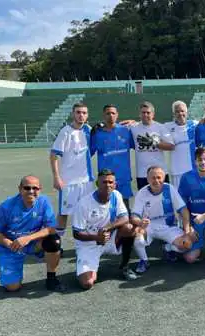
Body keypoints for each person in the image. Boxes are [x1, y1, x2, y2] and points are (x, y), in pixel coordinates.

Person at [0, 175, 65, 292]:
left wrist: (28, 238)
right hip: (11, 246)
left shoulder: (44, 201)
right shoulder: (6, 207)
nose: (31, 191)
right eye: (27, 188)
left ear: (40, 189)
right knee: (12, 287)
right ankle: (7, 270)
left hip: (32, 243)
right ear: (20, 189)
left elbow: (52, 228)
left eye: (35, 188)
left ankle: (51, 279)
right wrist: (10, 244)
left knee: (54, 241)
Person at [72, 169, 139, 289]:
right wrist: (96, 237)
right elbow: (76, 233)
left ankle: (125, 267)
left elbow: (124, 218)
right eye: (104, 182)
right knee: (87, 284)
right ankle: (82, 263)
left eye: (110, 182)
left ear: (115, 184)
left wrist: (107, 228)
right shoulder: (84, 203)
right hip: (88, 244)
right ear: (97, 184)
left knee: (129, 229)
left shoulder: (116, 195)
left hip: (109, 238)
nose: (107, 185)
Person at [130, 166, 197, 273]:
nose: (156, 181)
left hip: (168, 226)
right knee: (137, 237)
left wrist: (187, 231)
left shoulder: (169, 188)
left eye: (159, 177)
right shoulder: (142, 193)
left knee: (187, 244)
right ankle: (144, 260)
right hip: (149, 226)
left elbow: (183, 210)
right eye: (153, 178)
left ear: (164, 178)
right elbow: (134, 216)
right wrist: (140, 222)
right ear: (147, 179)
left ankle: (169, 248)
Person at [50, 102, 94, 237]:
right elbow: (53, 155)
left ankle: (87, 241)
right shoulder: (66, 132)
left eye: (84, 113)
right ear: (73, 114)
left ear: (87, 116)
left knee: (88, 211)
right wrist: (57, 178)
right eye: (78, 112)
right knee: (64, 213)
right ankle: (57, 243)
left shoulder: (88, 130)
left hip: (86, 181)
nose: (81, 115)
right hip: (68, 181)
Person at [90, 104, 134, 212]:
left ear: (117, 115)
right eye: (108, 113)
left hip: (123, 177)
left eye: (113, 113)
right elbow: (88, 153)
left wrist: (133, 121)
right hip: (106, 179)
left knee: (124, 208)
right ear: (103, 115)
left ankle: (125, 229)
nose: (111, 115)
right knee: (105, 208)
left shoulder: (126, 131)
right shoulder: (97, 133)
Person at [129, 101, 175, 190]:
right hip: (142, 174)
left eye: (148, 113)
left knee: (163, 200)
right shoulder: (134, 127)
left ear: (153, 114)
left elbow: (171, 146)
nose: (145, 115)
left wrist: (153, 142)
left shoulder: (160, 127)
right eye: (143, 112)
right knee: (145, 201)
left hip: (160, 172)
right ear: (139, 114)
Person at [163, 101, 198, 191]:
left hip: (193, 169)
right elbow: (152, 126)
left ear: (186, 112)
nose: (180, 114)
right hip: (177, 171)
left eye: (182, 111)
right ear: (174, 113)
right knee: (179, 199)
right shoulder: (167, 126)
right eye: (177, 111)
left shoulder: (194, 124)